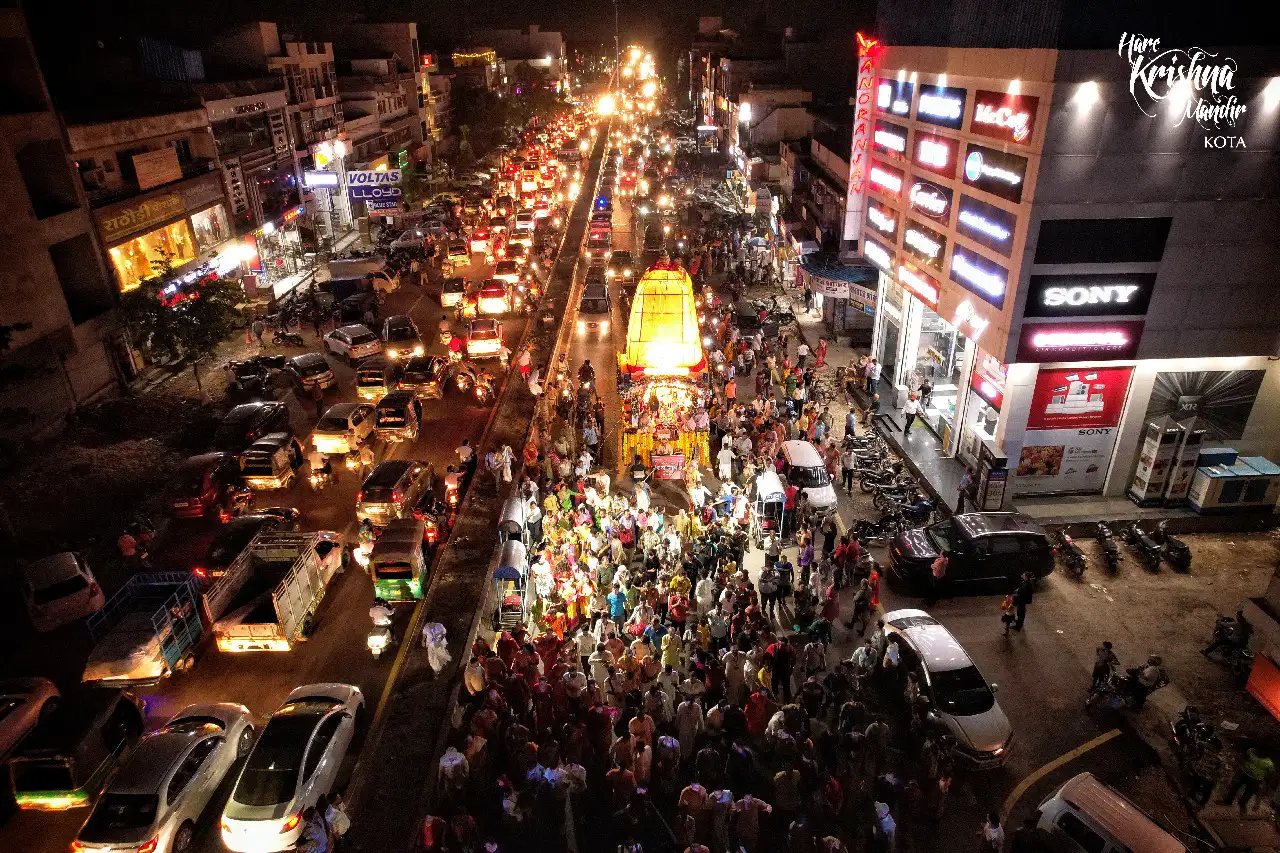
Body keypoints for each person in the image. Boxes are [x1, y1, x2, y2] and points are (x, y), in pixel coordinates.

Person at [1223, 747, 1274, 811]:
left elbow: (1271, 772)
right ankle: (1228, 801)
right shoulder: (1251, 751)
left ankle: (1241, 804)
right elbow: (1243, 759)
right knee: (1235, 787)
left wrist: (1265, 778)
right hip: (1246, 775)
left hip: (1256, 779)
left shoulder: (1268, 762)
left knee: (1247, 793)